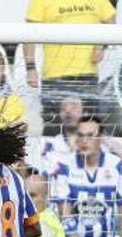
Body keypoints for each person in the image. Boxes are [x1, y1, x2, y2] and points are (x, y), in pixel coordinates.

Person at [24, 0, 116, 137]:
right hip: (54, 77)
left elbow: (111, 22)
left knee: (89, 131)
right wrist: (30, 68)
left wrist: (102, 46)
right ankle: (51, 159)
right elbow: (28, 35)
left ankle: (83, 159)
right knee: (54, 132)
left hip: (87, 76)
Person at [50, 115, 122, 237]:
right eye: (81, 135)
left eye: (90, 136)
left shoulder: (116, 166)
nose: (84, 141)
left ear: (101, 138)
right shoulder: (64, 167)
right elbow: (65, 215)